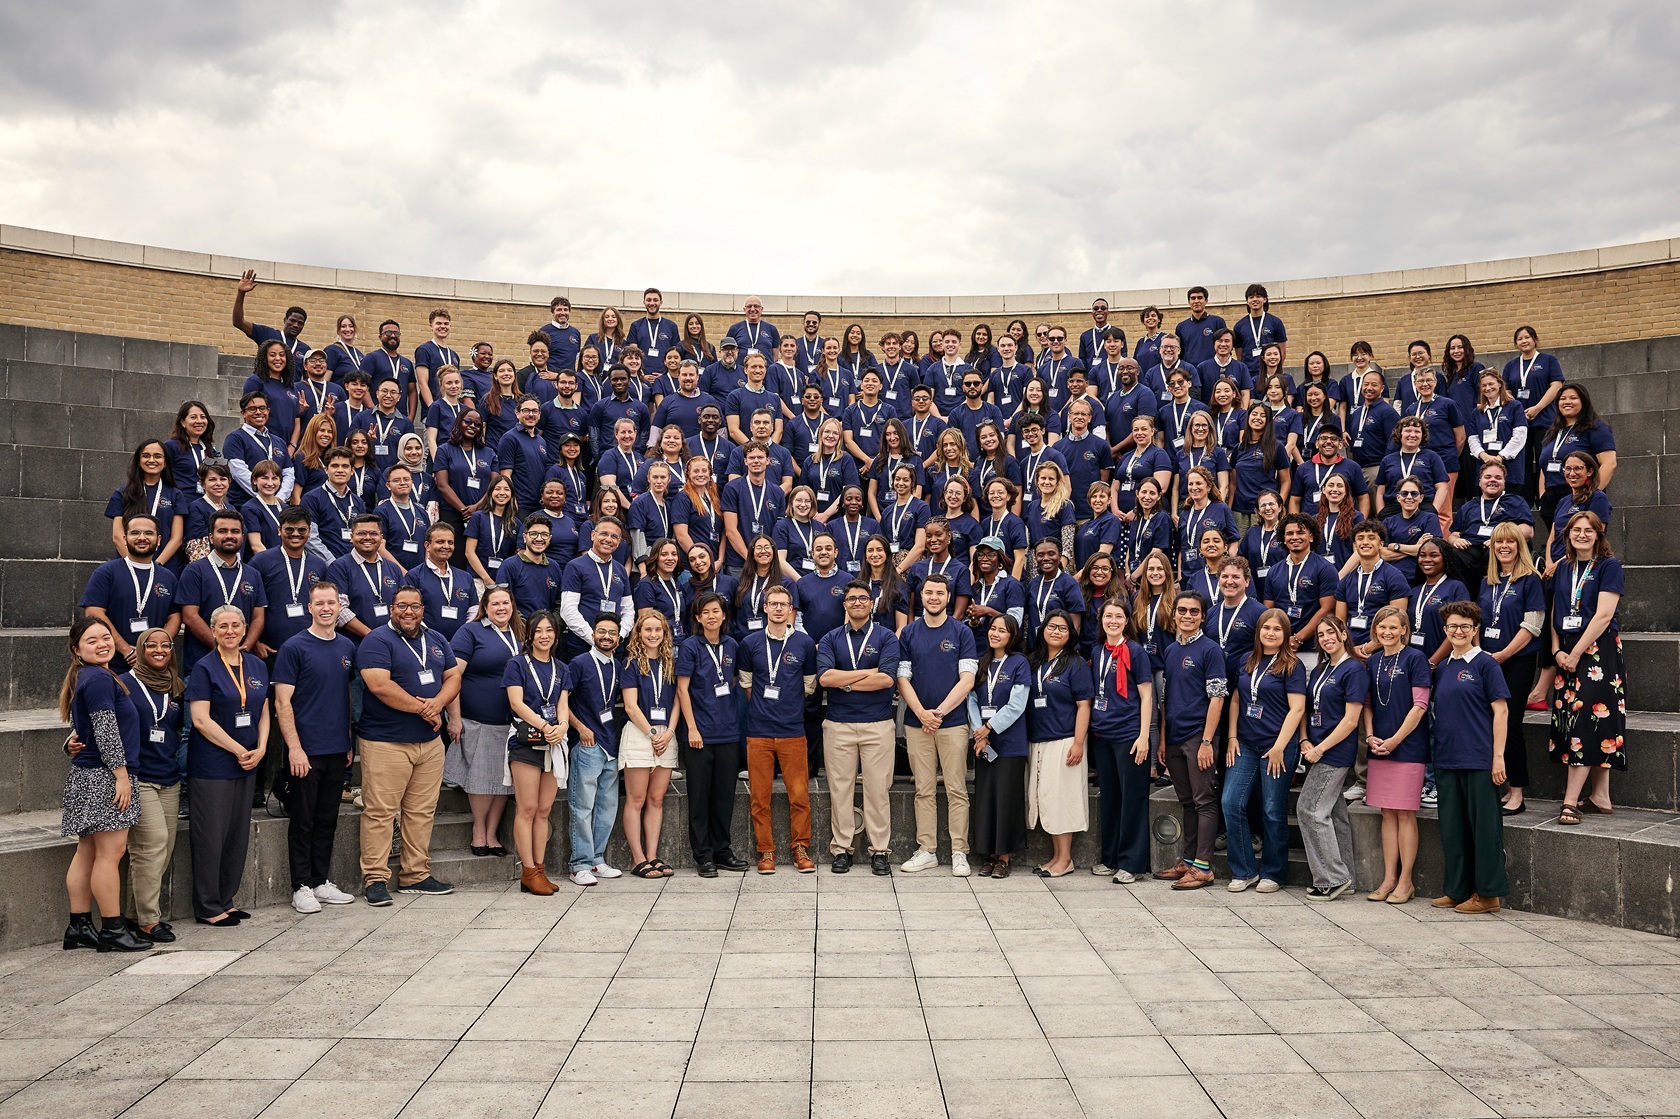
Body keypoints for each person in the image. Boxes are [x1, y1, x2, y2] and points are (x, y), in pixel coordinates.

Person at [355, 587, 462, 905]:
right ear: (392, 609)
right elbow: (379, 685)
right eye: (402, 605)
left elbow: (453, 677)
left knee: (422, 812)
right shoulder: (377, 640)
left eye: (414, 606)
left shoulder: (437, 639)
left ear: (423, 610)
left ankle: (415, 875)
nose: (408, 611)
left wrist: (438, 703)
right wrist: (424, 709)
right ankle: (375, 879)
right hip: (386, 742)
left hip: (429, 743)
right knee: (380, 812)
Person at [57, 618, 152, 952]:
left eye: (106, 637)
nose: (102, 644)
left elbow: (83, 727)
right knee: (110, 855)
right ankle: (112, 929)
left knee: (87, 851)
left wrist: (72, 744)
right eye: (92, 640)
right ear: (76, 649)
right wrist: (121, 777)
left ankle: (79, 926)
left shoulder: (89, 675)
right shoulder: (98, 678)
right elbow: (107, 731)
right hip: (104, 777)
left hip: (88, 775)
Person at [272, 582, 358, 914]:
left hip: (337, 748)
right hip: (305, 751)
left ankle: (321, 881)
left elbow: (345, 695)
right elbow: (282, 703)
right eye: (319, 603)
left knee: (327, 819)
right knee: (303, 821)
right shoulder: (294, 647)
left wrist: (347, 740)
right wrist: (294, 748)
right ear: (309, 607)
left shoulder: (347, 646)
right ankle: (301, 886)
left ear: (339, 607)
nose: (325, 608)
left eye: (331, 603)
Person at [182, 605, 269, 926]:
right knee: (211, 836)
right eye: (223, 626)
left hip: (247, 762)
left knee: (236, 834)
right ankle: (208, 906)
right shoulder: (204, 668)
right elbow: (200, 720)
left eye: (235, 625)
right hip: (213, 764)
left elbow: (264, 711)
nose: (230, 631)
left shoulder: (257, 665)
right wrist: (239, 750)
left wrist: (261, 748)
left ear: (245, 629)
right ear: (213, 631)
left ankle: (226, 899)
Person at [1431, 601, 1511, 914]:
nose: (1459, 631)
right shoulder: (1444, 667)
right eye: (1453, 626)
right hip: (1447, 758)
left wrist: (1498, 757)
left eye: (1465, 626)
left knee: (1485, 830)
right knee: (1453, 829)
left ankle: (1488, 894)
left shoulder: (1486, 664)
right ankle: (1457, 890)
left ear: (1476, 629)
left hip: (1479, 759)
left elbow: (1501, 711)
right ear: (1445, 629)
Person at [817, 582, 901, 875]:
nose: (857, 602)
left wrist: (846, 681)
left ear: (871, 603)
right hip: (838, 725)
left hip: (877, 725)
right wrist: (867, 673)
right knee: (840, 790)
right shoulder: (830, 638)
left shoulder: (886, 637)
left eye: (862, 598)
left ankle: (880, 851)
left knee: (878, 791)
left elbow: (886, 680)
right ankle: (841, 849)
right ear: (844, 605)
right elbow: (826, 679)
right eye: (851, 598)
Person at [897, 574, 978, 875]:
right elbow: (902, 678)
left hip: (952, 723)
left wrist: (939, 713)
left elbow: (967, 680)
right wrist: (921, 713)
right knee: (924, 789)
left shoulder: (961, 632)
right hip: (917, 723)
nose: (934, 597)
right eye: (928, 592)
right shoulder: (909, 633)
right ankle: (927, 849)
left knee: (957, 788)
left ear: (948, 596)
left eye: (940, 593)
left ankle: (959, 851)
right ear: (921, 596)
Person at [1222, 607, 1307, 893]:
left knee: (1272, 810)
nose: (1271, 633)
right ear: (1258, 631)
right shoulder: (1247, 660)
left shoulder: (1293, 665)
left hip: (1277, 746)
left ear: (1286, 634)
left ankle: (1273, 872)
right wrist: (1232, 736)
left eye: (1277, 629)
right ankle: (1244, 870)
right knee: (1231, 802)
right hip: (1245, 743)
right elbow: (1236, 700)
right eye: (1266, 628)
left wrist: (1280, 747)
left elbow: (1297, 709)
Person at [1549, 511, 1625, 824]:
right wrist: (1556, 650)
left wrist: (1576, 652)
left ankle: (1570, 801)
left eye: (1588, 530)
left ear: (1598, 534)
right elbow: (1556, 609)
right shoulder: (1563, 567)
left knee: (1586, 721)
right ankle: (1600, 796)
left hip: (1596, 651)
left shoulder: (1609, 566)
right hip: (1567, 650)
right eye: (1576, 530)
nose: (1582, 535)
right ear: (1567, 534)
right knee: (1582, 720)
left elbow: (1604, 615)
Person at [739, 584, 819, 873]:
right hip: (758, 733)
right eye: (773, 604)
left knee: (799, 797)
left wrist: (786, 705)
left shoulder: (804, 644)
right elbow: (747, 685)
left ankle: (801, 848)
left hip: (792, 732)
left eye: (783, 604)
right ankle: (766, 851)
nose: (778, 608)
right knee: (760, 798)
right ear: (765, 608)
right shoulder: (749, 643)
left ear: (790, 609)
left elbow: (809, 686)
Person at [1152, 592, 1228, 889]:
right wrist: (1162, 740)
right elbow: (1166, 700)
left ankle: (1203, 867)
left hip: (1199, 736)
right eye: (1182, 610)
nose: (1187, 615)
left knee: (1204, 800)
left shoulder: (1211, 650)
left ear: (1203, 617)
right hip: (1174, 737)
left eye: (1194, 611)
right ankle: (1188, 861)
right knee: (1186, 802)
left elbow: (1217, 698)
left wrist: (1207, 742)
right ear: (1174, 615)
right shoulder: (1171, 650)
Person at [675, 592, 749, 876]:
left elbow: (732, 681)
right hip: (700, 735)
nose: (711, 616)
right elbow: (683, 690)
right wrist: (692, 728)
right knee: (699, 798)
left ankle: (722, 851)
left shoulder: (732, 645)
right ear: (697, 617)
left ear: (724, 614)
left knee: (723, 797)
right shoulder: (691, 646)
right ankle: (703, 855)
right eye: (705, 612)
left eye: (715, 611)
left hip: (728, 733)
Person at [1363, 604, 1432, 904]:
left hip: (1408, 747)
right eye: (1382, 627)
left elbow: (1420, 706)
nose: (1387, 632)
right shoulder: (1373, 660)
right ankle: (1389, 877)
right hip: (1379, 746)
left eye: (1393, 627)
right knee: (1386, 813)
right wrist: (1370, 736)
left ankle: (1406, 881)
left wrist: (1394, 740)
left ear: (1405, 629)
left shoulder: (1416, 658)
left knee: (1405, 813)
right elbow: (1367, 704)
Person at [1297, 616, 1369, 900]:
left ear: (1343, 634)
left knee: (1310, 809)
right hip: (1315, 747)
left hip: (1334, 753)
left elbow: (1351, 721)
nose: (1326, 638)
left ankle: (1331, 878)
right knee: (1335, 815)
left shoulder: (1354, 669)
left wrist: (1320, 749)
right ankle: (1346, 877)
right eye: (1320, 634)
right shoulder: (1321, 668)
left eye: (1331, 632)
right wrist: (1305, 740)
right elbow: (1308, 708)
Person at [1477, 524, 1546, 815]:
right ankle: (1501, 788)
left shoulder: (1530, 580)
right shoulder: (1487, 581)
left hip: (1516, 660)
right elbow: (1479, 622)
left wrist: (1503, 655)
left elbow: (1533, 625)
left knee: (1511, 724)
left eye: (1510, 542)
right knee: (1489, 723)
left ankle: (1517, 792)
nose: (1504, 546)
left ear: (1520, 545)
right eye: (1499, 542)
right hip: (1488, 661)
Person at [503, 612, 569, 895]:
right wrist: (544, 725)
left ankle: (540, 869)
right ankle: (528, 871)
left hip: (553, 742)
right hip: (526, 742)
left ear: (556, 635)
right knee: (527, 809)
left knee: (544, 810)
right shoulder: (517, 664)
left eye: (549, 630)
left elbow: (563, 704)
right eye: (538, 630)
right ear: (529, 635)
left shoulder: (561, 668)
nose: (544, 635)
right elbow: (516, 703)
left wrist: (562, 727)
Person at [1025, 610, 1094, 877]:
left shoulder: (1075, 664)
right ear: (1043, 630)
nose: (1056, 632)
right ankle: (1055, 856)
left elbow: (1084, 706)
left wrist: (1078, 743)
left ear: (1070, 634)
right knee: (1048, 800)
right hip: (1038, 739)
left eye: (1063, 628)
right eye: (1052, 627)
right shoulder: (1034, 661)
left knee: (1063, 800)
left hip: (1064, 740)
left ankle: (1065, 859)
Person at [565, 613, 626, 886]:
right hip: (588, 744)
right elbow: (562, 701)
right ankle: (579, 864)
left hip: (610, 744)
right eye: (601, 631)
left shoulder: (617, 665)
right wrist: (580, 728)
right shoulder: (579, 663)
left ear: (618, 639)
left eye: (612, 633)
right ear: (592, 635)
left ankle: (597, 860)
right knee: (582, 807)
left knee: (606, 807)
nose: (606, 637)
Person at [619, 609, 679, 879]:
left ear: (665, 633)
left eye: (658, 630)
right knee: (637, 799)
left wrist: (670, 732)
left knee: (656, 799)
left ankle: (653, 855)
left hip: (667, 736)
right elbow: (630, 706)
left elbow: (678, 701)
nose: (653, 634)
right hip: (640, 733)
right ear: (639, 633)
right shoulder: (631, 664)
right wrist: (653, 734)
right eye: (648, 630)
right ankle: (638, 858)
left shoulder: (671, 663)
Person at [80, 514, 181, 665]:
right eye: (135, 533)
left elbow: (175, 617)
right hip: (113, 663)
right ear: (125, 538)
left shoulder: (168, 577)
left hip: (153, 665)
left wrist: (156, 648)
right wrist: (126, 650)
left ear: (159, 540)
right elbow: (93, 612)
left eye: (148, 533)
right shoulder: (106, 572)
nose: (142, 538)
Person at [177, 510, 266, 673]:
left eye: (235, 531)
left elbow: (258, 617)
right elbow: (190, 616)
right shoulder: (194, 571)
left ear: (242, 537)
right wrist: (220, 647)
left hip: (241, 663)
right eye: (222, 531)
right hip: (202, 664)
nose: (229, 536)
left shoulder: (253, 574)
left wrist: (246, 646)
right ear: (211, 537)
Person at [559, 517, 634, 659]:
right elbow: (568, 610)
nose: (608, 539)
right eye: (604, 534)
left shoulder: (621, 570)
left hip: (614, 649)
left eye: (614, 536)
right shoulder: (575, 566)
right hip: (583, 647)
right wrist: (595, 639)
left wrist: (618, 636)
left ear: (619, 542)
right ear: (593, 535)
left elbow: (628, 609)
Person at [403, 524, 476, 641]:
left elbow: (474, 610)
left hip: (460, 643)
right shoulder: (414, 576)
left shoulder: (466, 577)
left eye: (450, 542)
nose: (446, 546)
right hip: (425, 640)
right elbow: (410, 611)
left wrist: (463, 637)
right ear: (427, 545)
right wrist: (430, 637)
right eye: (440, 542)